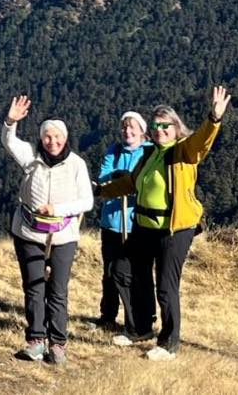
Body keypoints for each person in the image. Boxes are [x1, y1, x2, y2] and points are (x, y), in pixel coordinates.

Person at [98, 85, 230, 361]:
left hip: (174, 229)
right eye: (156, 126)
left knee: (166, 287)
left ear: (175, 126)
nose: (160, 130)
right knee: (127, 273)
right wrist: (100, 191)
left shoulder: (183, 151)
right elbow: (131, 183)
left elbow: (202, 143)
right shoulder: (149, 153)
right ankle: (139, 328)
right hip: (145, 226)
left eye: (165, 125)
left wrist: (214, 119)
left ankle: (169, 343)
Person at [2, 94, 94, 365]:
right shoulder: (31, 156)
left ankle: (58, 343)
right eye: (47, 137)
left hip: (63, 235)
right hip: (29, 233)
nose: (52, 142)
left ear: (65, 138)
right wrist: (10, 122)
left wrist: (58, 209)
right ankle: (36, 340)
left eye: (57, 137)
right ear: (41, 138)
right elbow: (8, 142)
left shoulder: (76, 164)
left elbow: (86, 201)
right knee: (33, 287)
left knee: (58, 289)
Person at [95, 111, 151, 333]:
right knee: (109, 271)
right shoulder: (114, 150)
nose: (127, 131)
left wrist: (127, 179)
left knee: (133, 273)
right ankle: (108, 315)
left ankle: (138, 317)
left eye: (132, 127)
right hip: (111, 222)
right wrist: (116, 176)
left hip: (136, 223)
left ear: (141, 130)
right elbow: (102, 177)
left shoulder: (148, 152)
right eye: (124, 127)